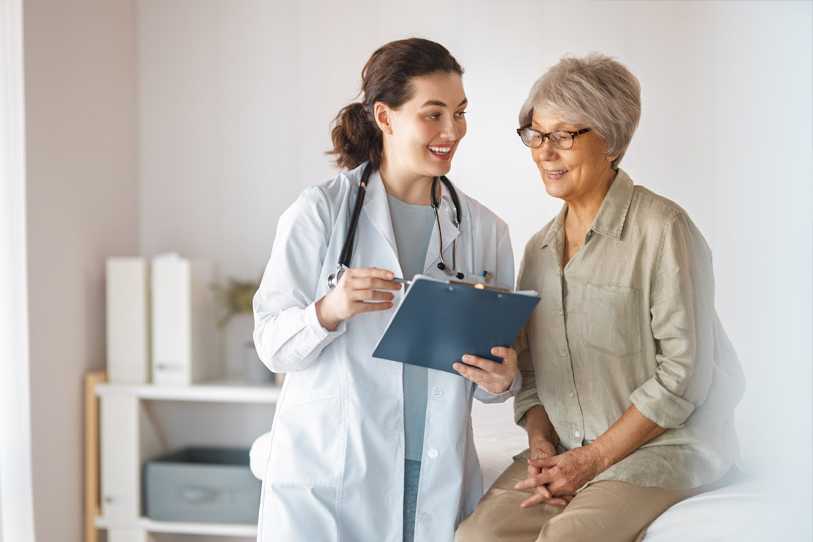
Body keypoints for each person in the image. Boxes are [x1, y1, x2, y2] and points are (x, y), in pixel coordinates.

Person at [455, 53, 745, 542]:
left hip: (663, 449)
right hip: (568, 447)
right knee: (475, 537)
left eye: (563, 135)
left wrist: (589, 461)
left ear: (611, 141)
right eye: (536, 134)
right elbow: (530, 373)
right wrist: (544, 445)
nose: (544, 152)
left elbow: (683, 377)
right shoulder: (538, 250)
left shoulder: (663, 229)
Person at [252, 38, 521, 542]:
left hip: (435, 469)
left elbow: (494, 383)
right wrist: (329, 310)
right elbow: (271, 346)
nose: (452, 131)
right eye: (434, 114)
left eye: (460, 114)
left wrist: (503, 379)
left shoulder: (486, 231)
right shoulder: (320, 212)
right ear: (386, 116)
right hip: (337, 472)